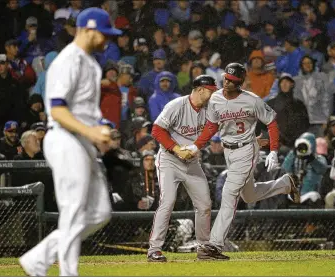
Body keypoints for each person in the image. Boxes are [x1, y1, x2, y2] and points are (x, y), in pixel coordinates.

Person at [19, 8, 122, 276]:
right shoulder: (67, 61)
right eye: (104, 34)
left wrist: (101, 133)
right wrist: (90, 133)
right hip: (64, 139)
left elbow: (86, 111)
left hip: (83, 141)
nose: (107, 40)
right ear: (88, 29)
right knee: (74, 210)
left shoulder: (90, 62)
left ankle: (39, 257)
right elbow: (58, 110)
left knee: (100, 212)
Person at [182, 63, 300, 260]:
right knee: (249, 195)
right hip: (229, 151)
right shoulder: (215, 99)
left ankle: (214, 245)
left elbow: (271, 122)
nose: (228, 83)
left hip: (247, 149)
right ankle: (285, 184)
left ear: (240, 83)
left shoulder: (251, 100)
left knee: (229, 193)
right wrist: (196, 146)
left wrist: (273, 151)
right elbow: (212, 126)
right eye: (226, 79)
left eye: (233, 81)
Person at [147, 75, 218, 262]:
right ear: (200, 90)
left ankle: (204, 248)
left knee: (204, 204)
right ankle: (154, 249)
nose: (213, 93)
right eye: (211, 90)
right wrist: (177, 148)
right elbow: (157, 130)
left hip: (192, 162)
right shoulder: (176, 105)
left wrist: (194, 149)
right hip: (169, 160)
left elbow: (212, 128)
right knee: (168, 201)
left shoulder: (209, 109)